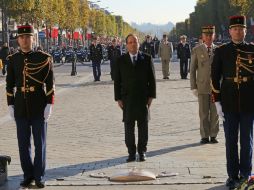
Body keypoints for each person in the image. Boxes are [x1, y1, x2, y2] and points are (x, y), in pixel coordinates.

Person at [6, 24, 55, 188]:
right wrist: (10, 105)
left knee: (40, 144)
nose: (25, 40)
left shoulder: (44, 57)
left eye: (28, 37)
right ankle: (27, 175)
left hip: (39, 106)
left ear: (33, 39)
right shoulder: (13, 59)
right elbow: (9, 85)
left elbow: (50, 83)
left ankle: (39, 175)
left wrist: (49, 104)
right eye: (21, 37)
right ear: (18, 40)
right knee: (23, 144)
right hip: (20, 106)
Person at [211, 15, 254, 189]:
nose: (238, 31)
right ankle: (232, 175)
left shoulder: (252, 49)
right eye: (234, 29)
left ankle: (246, 174)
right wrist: (217, 101)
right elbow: (214, 77)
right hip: (228, 101)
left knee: (247, 140)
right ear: (230, 31)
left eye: (241, 28)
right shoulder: (221, 51)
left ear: (245, 30)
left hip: (249, 100)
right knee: (230, 140)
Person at [114, 34, 156, 162]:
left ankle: (142, 151)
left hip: (143, 98)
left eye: (135, 42)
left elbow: (152, 80)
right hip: (127, 99)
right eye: (130, 42)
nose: (133, 44)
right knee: (129, 127)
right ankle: (131, 152)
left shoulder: (147, 59)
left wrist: (151, 97)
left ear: (139, 44)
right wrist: (118, 98)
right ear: (126, 45)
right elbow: (117, 81)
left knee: (143, 127)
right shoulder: (121, 60)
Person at [190, 25, 219, 144]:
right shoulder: (197, 50)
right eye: (206, 35)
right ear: (202, 36)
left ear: (214, 36)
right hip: (202, 86)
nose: (208, 37)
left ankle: (213, 135)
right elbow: (192, 70)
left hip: (216, 87)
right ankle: (204, 135)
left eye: (211, 35)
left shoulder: (219, 50)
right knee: (203, 112)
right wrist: (193, 87)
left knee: (215, 113)